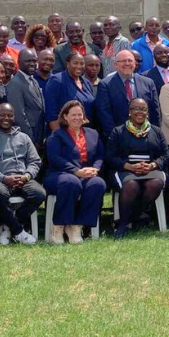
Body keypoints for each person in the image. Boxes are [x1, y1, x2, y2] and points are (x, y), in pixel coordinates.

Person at [46, 100, 107, 243]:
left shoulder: (93, 134)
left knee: (98, 184)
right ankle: (58, 227)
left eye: (80, 115)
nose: (77, 118)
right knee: (71, 182)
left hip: (87, 174)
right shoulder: (57, 135)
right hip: (59, 174)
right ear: (65, 116)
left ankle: (77, 226)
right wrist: (76, 171)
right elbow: (54, 158)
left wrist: (95, 169)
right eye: (73, 115)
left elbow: (100, 155)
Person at [106, 98, 167, 238]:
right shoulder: (118, 131)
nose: (140, 112)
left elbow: (165, 155)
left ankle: (131, 217)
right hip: (125, 170)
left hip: (151, 170)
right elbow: (111, 156)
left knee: (155, 184)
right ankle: (124, 225)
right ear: (129, 112)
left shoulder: (156, 131)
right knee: (131, 185)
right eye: (136, 109)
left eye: (144, 109)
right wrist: (130, 167)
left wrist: (152, 165)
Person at [93, 49, 161, 132]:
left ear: (135, 63)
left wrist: (153, 134)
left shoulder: (148, 83)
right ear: (115, 65)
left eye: (130, 61)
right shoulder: (105, 85)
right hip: (119, 138)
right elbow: (104, 114)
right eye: (123, 61)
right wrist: (115, 137)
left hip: (146, 136)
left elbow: (155, 112)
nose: (127, 63)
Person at [5, 48, 47, 149]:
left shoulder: (33, 81)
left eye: (34, 61)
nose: (32, 64)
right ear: (19, 63)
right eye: (28, 61)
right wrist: (30, 140)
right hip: (28, 138)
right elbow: (19, 115)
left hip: (40, 134)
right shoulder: (15, 84)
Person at [44, 52, 97, 132]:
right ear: (68, 64)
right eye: (75, 63)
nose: (79, 66)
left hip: (85, 133)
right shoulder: (57, 80)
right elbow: (51, 114)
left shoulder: (87, 83)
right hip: (64, 134)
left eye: (82, 63)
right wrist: (60, 137)